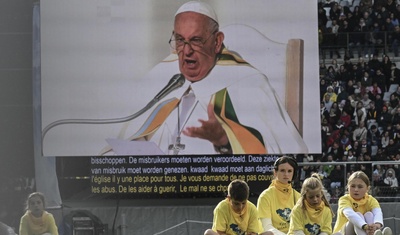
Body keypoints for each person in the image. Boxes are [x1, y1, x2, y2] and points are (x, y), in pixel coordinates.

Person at [98, 1, 308, 155]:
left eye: (196, 40)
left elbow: (284, 155)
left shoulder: (248, 82)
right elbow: (128, 135)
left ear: (217, 43)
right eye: (180, 40)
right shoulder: (163, 76)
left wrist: (225, 140)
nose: (186, 51)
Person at [333, 171, 392, 235]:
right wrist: (365, 226)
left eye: (360, 187)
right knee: (357, 215)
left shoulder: (371, 200)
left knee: (369, 214)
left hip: (365, 230)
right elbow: (350, 214)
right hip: (343, 233)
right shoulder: (344, 199)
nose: (356, 189)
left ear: (367, 189)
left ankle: (374, 233)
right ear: (348, 187)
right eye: (353, 186)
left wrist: (377, 225)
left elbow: (377, 212)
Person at [257, 156, 301, 235]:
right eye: (282, 170)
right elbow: (266, 227)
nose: (286, 174)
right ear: (275, 172)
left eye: (290, 171)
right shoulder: (265, 196)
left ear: (294, 174)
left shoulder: (299, 197)